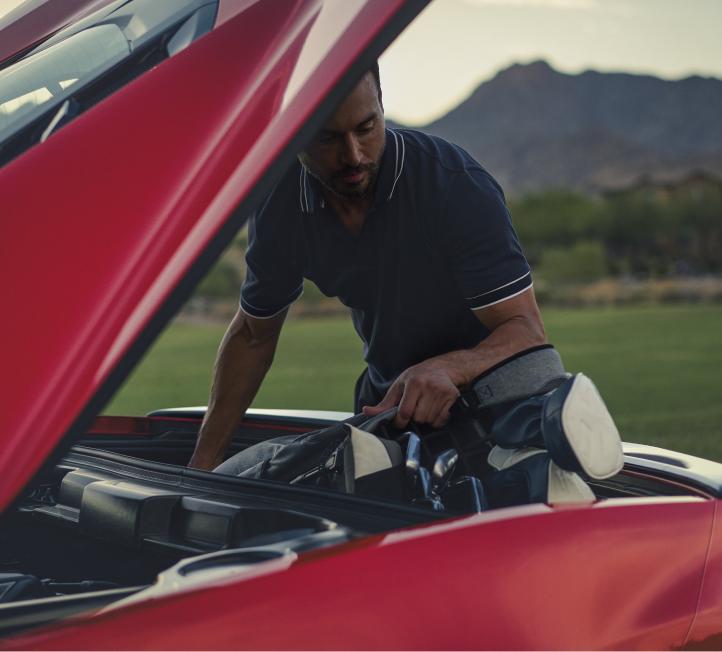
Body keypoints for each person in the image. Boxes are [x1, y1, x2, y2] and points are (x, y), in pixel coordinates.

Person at [187, 64, 546, 472]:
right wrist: (201, 468)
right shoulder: (279, 207)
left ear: (381, 105)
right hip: (385, 411)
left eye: (366, 127)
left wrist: (448, 367)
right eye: (328, 137)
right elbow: (253, 337)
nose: (354, 155)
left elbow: (527, 332)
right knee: (256, 477)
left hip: (493, 409)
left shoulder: (454, 186)